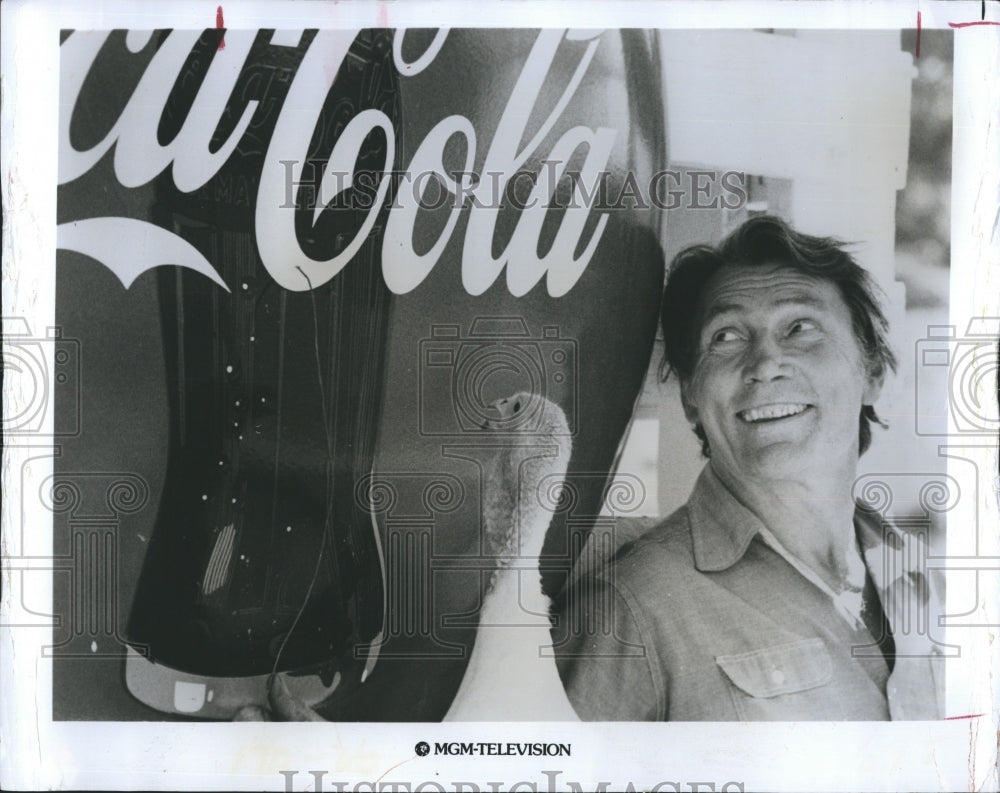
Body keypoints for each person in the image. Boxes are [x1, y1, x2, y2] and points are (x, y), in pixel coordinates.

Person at [552, 215, 944, 721]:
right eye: (726, 337)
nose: (764, 364)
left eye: (800, 328)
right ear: (691, 399)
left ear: (873, 373)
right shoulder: (628, 611)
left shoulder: (923, 580)